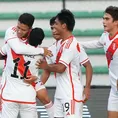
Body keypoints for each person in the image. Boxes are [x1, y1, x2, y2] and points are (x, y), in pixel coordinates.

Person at [36, 9, 93, 118]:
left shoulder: (72, 45)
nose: (53, 28)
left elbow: (61, 68)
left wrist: (87, 88)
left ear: (64, 26)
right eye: (52, 27)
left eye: (56, 24)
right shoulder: (58, 44)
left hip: (70, 94)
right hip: (60, 94)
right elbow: (46, 67)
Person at [80, 6, 118, 118]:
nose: (103, 21)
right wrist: (76, 43)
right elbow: (97, 43)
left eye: (107, 19)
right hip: (114, 89)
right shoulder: (105, 36)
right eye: (103, 18)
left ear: (116, 22)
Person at [0, 27, 46, 118]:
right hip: (28, 96)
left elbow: (1, 55)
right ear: (40, 42)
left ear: (28, 36)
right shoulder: (41, 55)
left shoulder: (11, 47)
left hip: (10, 96)